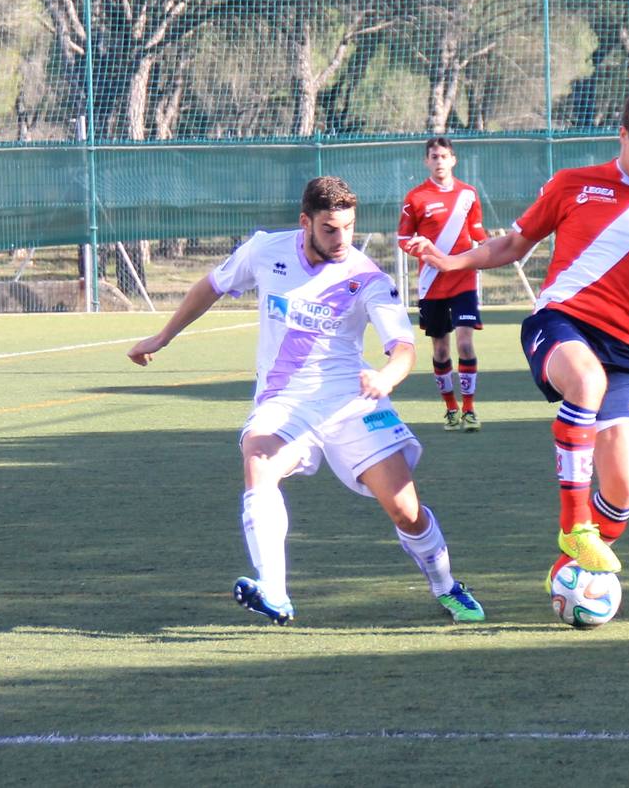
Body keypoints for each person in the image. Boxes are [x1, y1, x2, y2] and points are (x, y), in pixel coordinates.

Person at [407, 88, 629, 591]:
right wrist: (453, 261)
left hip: (622, 349)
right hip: (559, 323)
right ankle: (574, 527)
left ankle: (567, 573)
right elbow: (512, 245)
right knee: (586, 382)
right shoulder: (574, 184)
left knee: (624, 484)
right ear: (623, 135)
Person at [128, 176, 485, 625]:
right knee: (257, 460)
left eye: (349, 227)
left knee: (405, 511)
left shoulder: (366, 276)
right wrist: (162, 336)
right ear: (306, 222)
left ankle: (446, 586)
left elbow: (403, 347)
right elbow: (211, 286)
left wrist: (388, 376)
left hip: (351, 401)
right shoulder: (265, 250)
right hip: (285, 400)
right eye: (331, 228)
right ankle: (274, 592)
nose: (342, 239)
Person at [397, 137, 488, 432]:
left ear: (453, 160)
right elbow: (402, 239)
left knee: (464, 343)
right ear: (427, 161)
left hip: (463, 278)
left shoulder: (468, 194)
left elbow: (476, 229)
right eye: (434, 157)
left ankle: (470, 409)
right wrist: (422, 250)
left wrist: (491, 245)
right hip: (431, 282)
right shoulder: (416, 198)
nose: (439, 162)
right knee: (440, 351)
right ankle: (451, 408)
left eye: (444, 156)